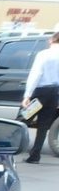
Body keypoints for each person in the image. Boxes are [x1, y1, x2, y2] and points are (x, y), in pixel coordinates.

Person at [22, 32, 59, 164]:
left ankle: (9, 147)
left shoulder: (44, 54)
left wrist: (27, 95)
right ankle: (35, 155)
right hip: (54, 93)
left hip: (41, 92)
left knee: (24, 118)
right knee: (43, 125)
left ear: (52, 40)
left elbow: (36, 74)